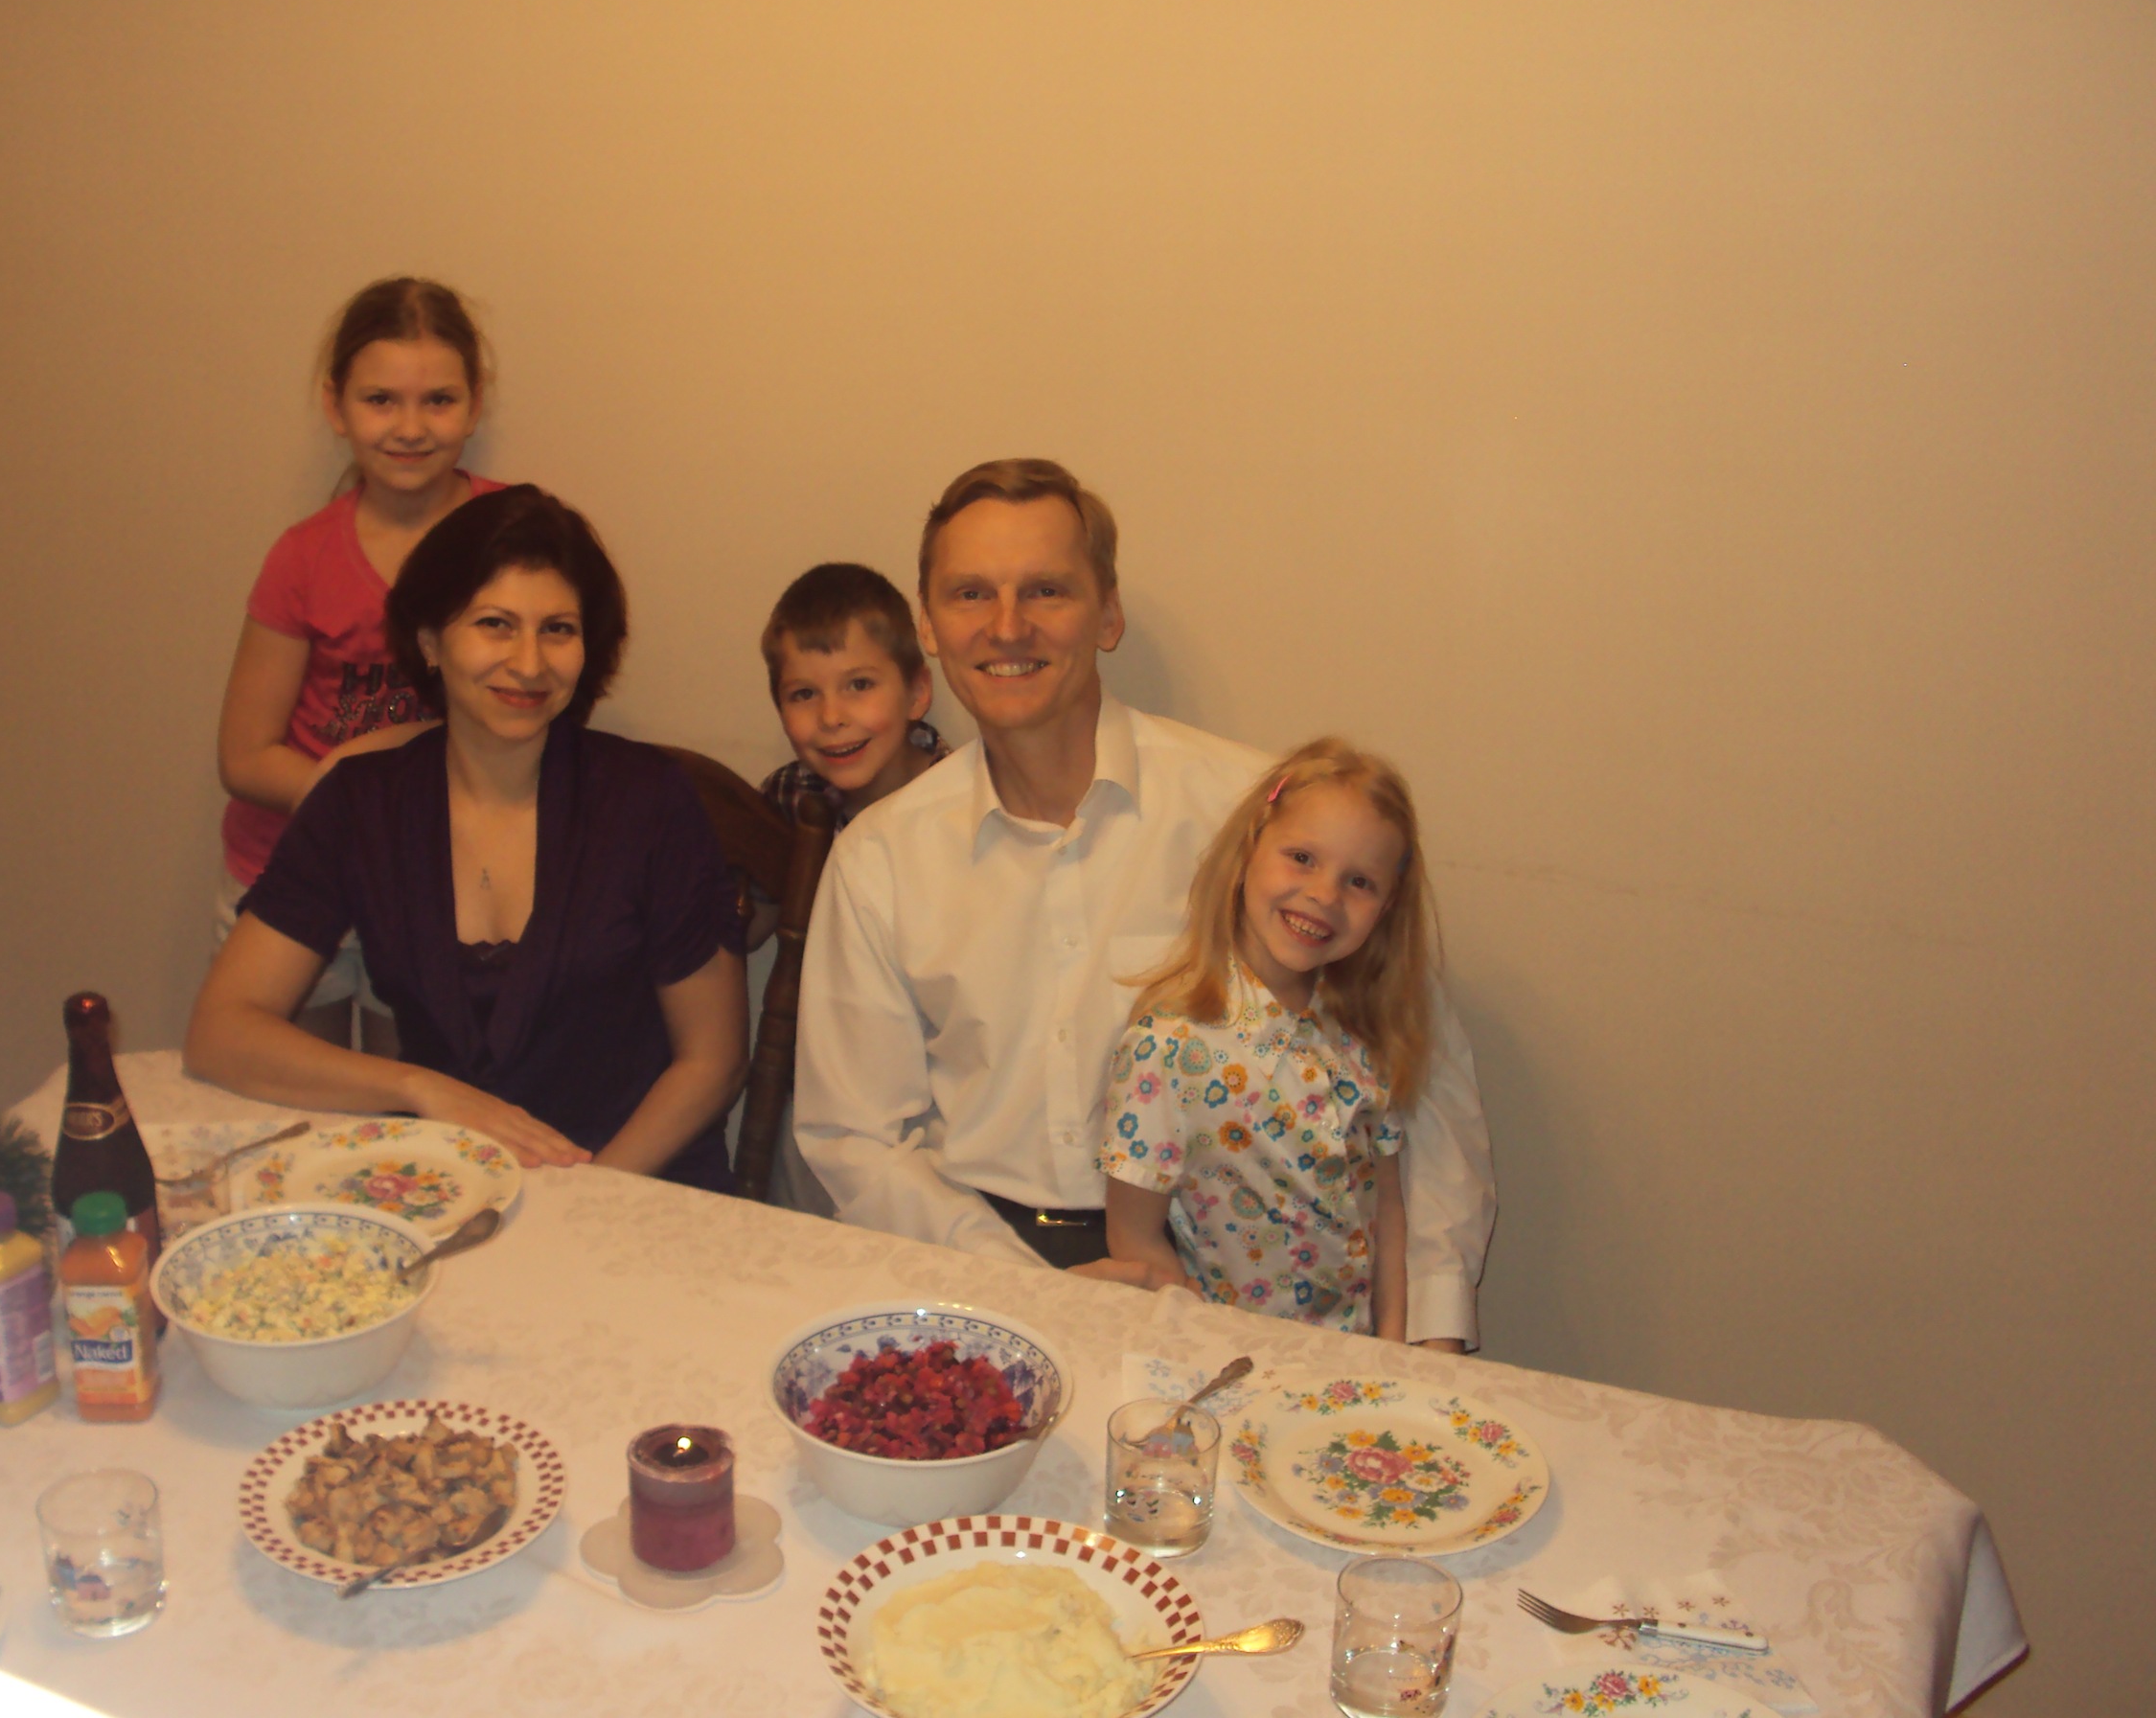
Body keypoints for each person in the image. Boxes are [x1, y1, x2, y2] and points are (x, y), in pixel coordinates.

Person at [793, 459, 1496, 1347]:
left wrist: (1432, 1328)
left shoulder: (1260, 821)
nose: (1007, 626)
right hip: (973, 1268)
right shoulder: (880, 859)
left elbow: (1419, 1073)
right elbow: (855, 1137)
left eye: (1046, 590)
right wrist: (1017, 1282)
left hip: (1229, 1290)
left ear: (1107, 614)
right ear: (929, 626)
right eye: (971, 594)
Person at [185, 486, 749, 1190]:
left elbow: (713, 1062)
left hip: (638, 1184)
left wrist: (592, 1194)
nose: (530, 663)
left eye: (558, 629)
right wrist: (418, 1088)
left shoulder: (648, 800)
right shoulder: (362, 803)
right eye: (495, 624)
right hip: (453, 1185)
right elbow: (220, 1032)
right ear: (429, 640)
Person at [214, 278, 504, 1048]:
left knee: (405, 1096)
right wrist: (374, 807)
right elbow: (245, 758)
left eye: (438, 400)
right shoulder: (302, 558)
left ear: (475, 404)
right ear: (335, 406)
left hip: (438, 879)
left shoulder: (513, 534)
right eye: (381, 401)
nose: (409, 427)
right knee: (290, 1097)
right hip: (292, 867)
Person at [1100, 740, 1435, 1331]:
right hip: (1230, 1362)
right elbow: (1134, 1241)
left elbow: (1386, 1211)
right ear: (1249, 848)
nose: (1325, 895)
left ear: (1385, 909)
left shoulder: (1363, 1035)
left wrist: (1391, 1349)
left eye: (1359, 881)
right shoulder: (1167, 1045)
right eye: (1302, 858)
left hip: (1353, 1364)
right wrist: (1198, 1348)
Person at [757, 562, 951, 831]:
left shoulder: (965, 805)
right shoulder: (781, 798)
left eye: (859, 685)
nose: (831, 718)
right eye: (804, 694)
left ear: (917, 693)